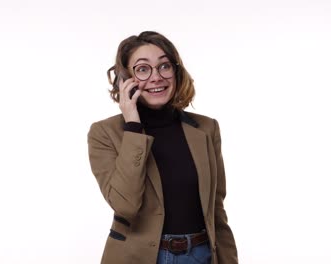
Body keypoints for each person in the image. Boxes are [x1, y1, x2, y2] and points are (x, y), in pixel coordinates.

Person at [87, 31, 238, 264]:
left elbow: (216, 210)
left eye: (164, 66)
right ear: (124, 78)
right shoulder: (105, 133)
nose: (156, 77)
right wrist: (133, 127)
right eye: (143, 69)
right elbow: (125, 205)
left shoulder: (206, 129)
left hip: (201, 255)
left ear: (176, 72)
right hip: (139, 257)